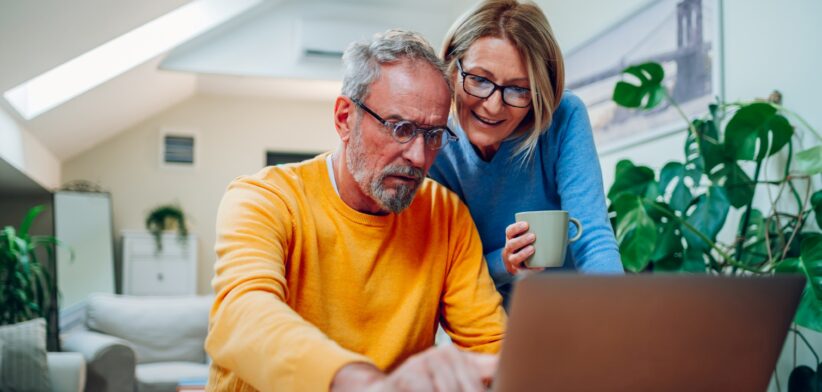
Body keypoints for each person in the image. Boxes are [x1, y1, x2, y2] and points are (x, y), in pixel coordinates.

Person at [205, 29, 506, 392]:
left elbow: (493, 349)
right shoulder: (265, 198)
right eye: (401, 128)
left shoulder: (446, 215)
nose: (418, 156)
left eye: (433, 135)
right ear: (345, 118)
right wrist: (359, 383)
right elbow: (242, 316)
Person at [429, 0, 624, 304]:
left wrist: (621, 315)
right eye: (479, 80)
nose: (493, 106)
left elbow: (593, 238)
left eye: (518, 89)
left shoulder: (563, 117)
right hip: (489, 327)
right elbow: (444, 274)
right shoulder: (433, 145)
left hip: (576, 313)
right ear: (452, 69)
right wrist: (503, 263)